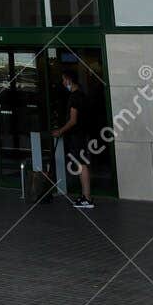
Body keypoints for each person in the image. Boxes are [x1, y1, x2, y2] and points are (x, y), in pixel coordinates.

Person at [53, 65, 96, 209]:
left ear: (69, 80)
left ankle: (87, 197)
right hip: (82, 134)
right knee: (81, 164)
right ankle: (85, 196)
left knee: (81, 165)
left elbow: (73, 120)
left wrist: (60, 131)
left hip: (77, 136)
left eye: (64, 80)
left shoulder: (74, 97)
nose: (63, 83)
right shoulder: (82, 95)